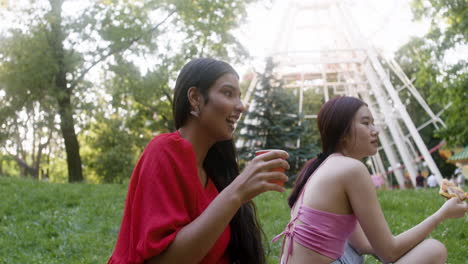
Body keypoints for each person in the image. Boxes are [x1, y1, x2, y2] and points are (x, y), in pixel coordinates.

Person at [107, 58, 290, 264]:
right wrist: (236, 192)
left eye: (239, 96)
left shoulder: (214, 173)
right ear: (195, 98)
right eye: (228, 93)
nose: (241, 106)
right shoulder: (163, 151)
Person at [273, 96, 467, 264]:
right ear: (343, 133)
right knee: (434, 249)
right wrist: (440, 215)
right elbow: (389, 252)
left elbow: (365, 245)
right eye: (366, 123)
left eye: (373, 122)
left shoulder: (323, 167)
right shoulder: (352, 169)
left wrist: (402, 248)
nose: (375, 130)